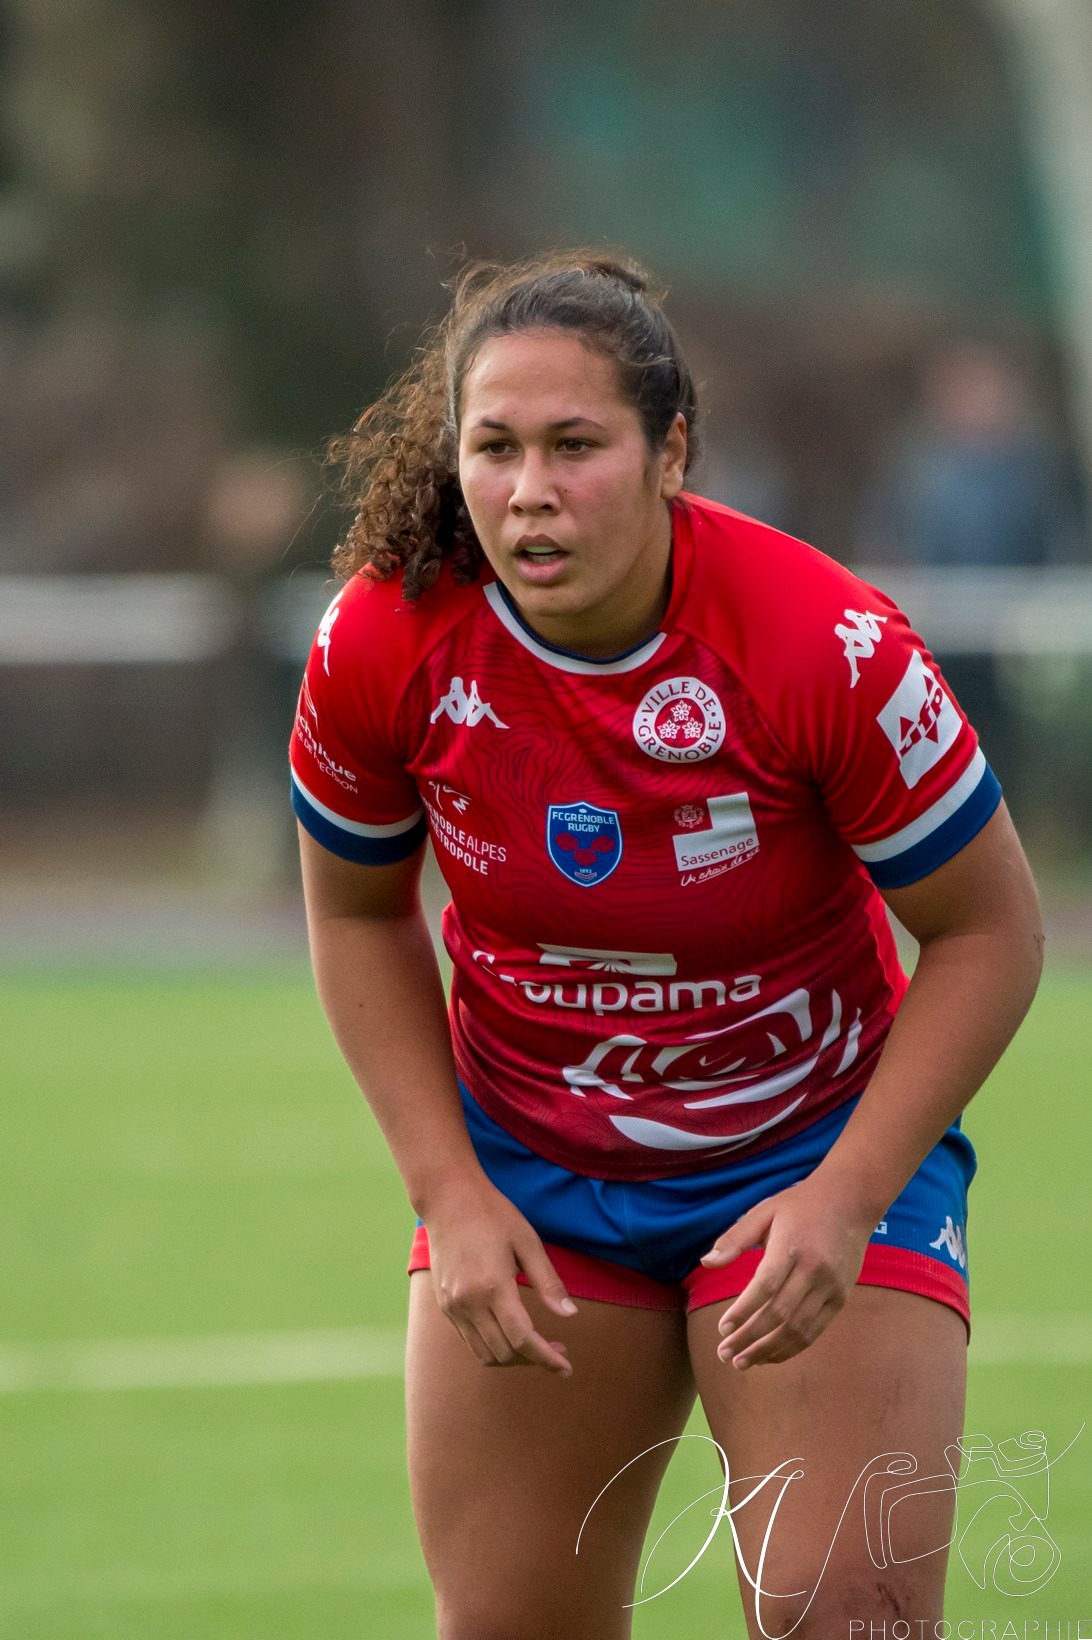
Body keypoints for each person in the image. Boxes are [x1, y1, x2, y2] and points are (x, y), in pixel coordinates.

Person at [290, 252, 1043, 1639]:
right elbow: (353, 911)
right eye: (496, 448)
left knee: (843, 1616)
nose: (531, 490)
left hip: (811, 1149)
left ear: (671, 452)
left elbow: (992, 931)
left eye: (576, 446)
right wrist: (448, 1193)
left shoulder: (824, 644)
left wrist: (847, 1198)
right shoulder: (383, 640)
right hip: (532, 1170)